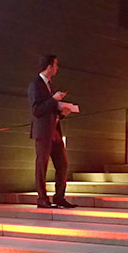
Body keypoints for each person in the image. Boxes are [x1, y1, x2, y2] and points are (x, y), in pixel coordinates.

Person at [28, 53, 77, 208]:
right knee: (42, 164)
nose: (57, 68)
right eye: (55, 65)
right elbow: (36, 110)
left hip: (55, 131)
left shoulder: (52, 85)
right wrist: (53, 100)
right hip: (43, 132)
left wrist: (62, 111)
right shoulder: (35, 85)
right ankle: (42, 198)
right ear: (49, 67)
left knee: (62, 164)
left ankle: (59, 197)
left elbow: (51, 108)